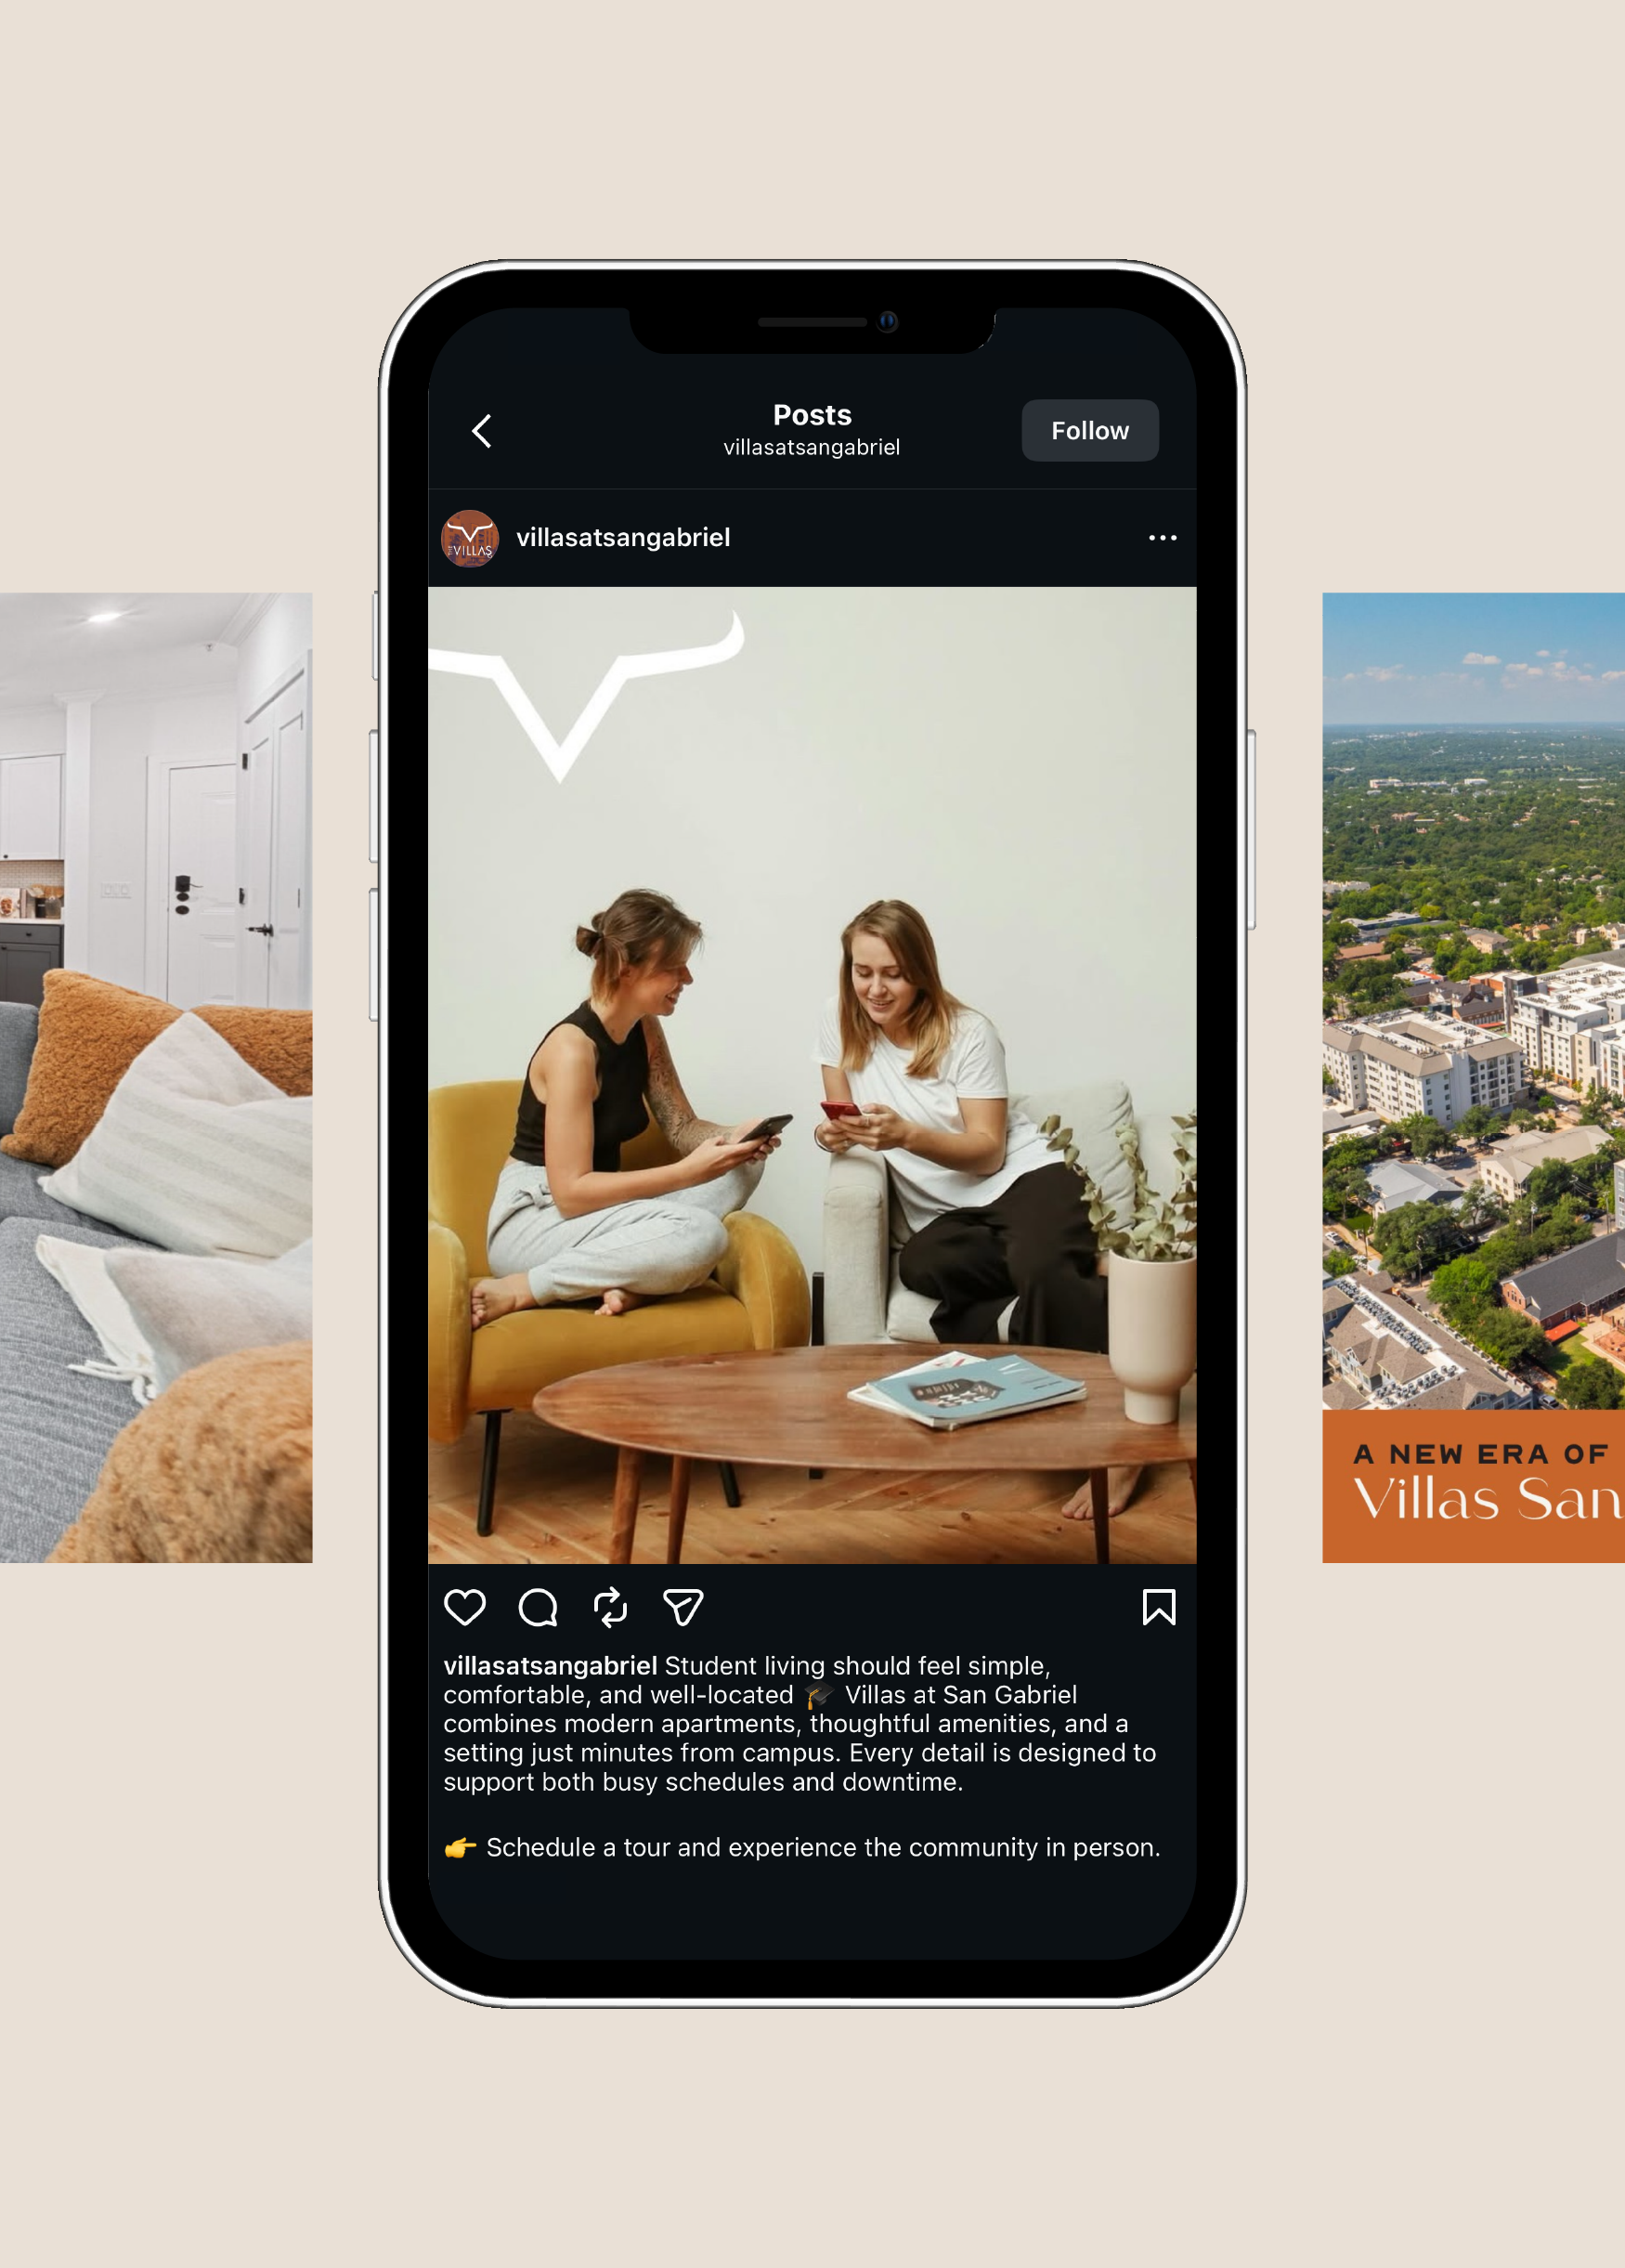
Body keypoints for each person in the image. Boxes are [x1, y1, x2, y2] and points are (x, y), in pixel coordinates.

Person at [813, 898, 1138, 1519]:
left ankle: (1115, 1454)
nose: (875, 989)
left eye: (892, 973)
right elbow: (844, 1120)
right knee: (921, 1267)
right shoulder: (838, 1022)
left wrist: (905, 1134)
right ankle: (1118, 1282)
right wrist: (834, 1136)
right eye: (862, 971)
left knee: (1043, 1275)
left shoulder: (968, 1032)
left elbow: (988, 1153)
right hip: (953, 1215)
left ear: (920, 972)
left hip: (1025, 1180)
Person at [470, 889, 776, 1326]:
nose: (686, 978)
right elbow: (571, 1195)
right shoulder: (573, 1051)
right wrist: (689, 1172)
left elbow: (682, 1126)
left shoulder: (643, 1028)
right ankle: (530, 1287)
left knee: (744, 1165)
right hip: (536, 1221)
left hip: (599, 1214)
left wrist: (733, 1138)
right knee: (702, 1235)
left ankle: (634, 1281)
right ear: (626, 970)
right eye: (674, 967)